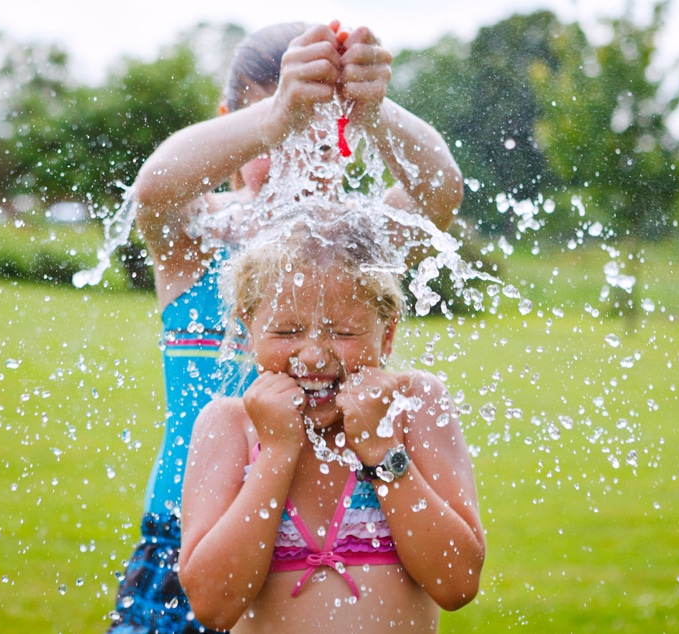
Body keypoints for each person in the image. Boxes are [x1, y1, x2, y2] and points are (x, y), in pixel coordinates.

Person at [106, 20, 463, 633]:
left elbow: (439, 193)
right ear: (232, 126)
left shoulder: (360, 248)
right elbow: (156, 189)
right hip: (191, 533)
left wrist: (375, 110)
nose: (297, 156)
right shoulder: (203, 241)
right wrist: (278, 115)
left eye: (319, 139)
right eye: (278, 136)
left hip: (340, 526)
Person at [178, 205, 485, 633]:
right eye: (286, 332)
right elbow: (213, 604)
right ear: (250, 329)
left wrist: (381, 451)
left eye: (343, 332)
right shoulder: (229, 425)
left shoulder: (413, 406)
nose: (313, 356)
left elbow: (457, 582)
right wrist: (277, 453)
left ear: (388, 333)